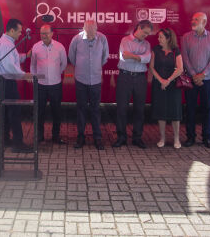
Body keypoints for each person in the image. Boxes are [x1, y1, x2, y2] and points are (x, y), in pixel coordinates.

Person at [181, 12, 210, 149]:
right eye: (192, 19)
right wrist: (194, 75)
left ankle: (207, 137)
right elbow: (185, 58)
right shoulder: (186, 37)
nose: (193, 21)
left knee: (206, 108)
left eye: (196, 19)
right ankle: (190, 137)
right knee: (190, 109)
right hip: (191, 79)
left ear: (204, 22)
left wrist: (203, 74)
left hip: (207, 79)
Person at [68, 19, 109, 150]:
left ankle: (97, 137)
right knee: (81, 109)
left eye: (93, 32)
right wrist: (82, 67)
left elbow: (105, 57)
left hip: (96, 80)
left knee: (95, 109)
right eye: (88, 33)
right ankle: (81, 137)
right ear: (84, 29)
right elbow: (72, 57)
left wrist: (95, 67)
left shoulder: (102, 39)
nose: (90, 35)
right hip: (81, 80)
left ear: (96, 29)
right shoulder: (76, 39)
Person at [0, 18, 31, 153]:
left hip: (3, 81)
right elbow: (9, 66)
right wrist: (24, 75)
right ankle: (18, 143)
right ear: (12, 30)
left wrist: (25, 56)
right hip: (6, 81)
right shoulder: (6, 44)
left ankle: (6, 139)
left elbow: (12, 59)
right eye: (19, 31)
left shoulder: (6, 42)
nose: (20, 34)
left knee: (7, 111)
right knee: (14, 112)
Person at [114, 20, 153, 149]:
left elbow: (148, 58)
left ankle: (137, 138)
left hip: (140, 78)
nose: (146, 36)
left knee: (139, 109)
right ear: (139, 28)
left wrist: (134, 56)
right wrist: (140, 57)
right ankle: (121, 137)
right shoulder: (125, 40)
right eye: (144, 32)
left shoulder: (147, 44)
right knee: (121, 108)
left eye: (148, 34)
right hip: (125, 77)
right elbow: (124, 56)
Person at [30, 24, 68, 144]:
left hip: (55, 85)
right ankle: (39, 136)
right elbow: (33, 65)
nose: (44, 35)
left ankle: (56, 136)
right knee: (39, 112)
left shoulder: (59, 47)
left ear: (52, 34)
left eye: (46, 33)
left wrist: (55, 73)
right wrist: (35, 78)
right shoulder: (36, 47)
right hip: (40, 85)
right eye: (42, 33)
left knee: (56, 112)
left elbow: (64, 63)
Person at [149, 28, 184, 149]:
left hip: (173, 86)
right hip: (159, 85)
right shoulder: (155, 50)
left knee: (175, 113)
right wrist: (161, 80)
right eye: (158, 37)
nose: (158, 39)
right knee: (161, 113)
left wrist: (168, 80)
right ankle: (162, 138)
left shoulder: (176, 50)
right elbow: (152, 67)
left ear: (168, 38)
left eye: (161, 37)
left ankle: (176, 139)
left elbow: (180, 68)